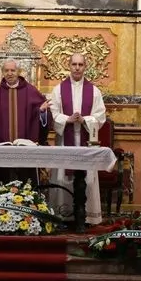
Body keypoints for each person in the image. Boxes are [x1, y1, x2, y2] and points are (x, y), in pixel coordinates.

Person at [0, 58, 51, 190]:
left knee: (26, 186)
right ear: (3, 72)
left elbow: (41, 117)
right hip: (1, 151)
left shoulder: (31, 91)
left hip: (26, 150)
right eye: (6, 70)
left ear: (18, 71)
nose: (9, 73)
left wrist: (42, 113)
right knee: (0, 185)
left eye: (13, 70)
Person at [48, 53, 106, 223]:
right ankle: (63, 215)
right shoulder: (58, 90)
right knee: (62, 177)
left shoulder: (94, 91)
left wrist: (84, 120)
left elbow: (100, 116)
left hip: (86, 141)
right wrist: (67, 119)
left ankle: (86, 217)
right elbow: (52, 113)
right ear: (69, 66)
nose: (77, 68)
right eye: (74, 64)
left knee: (87, 178)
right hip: (65, 141)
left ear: (85, 67)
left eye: (80, 64)